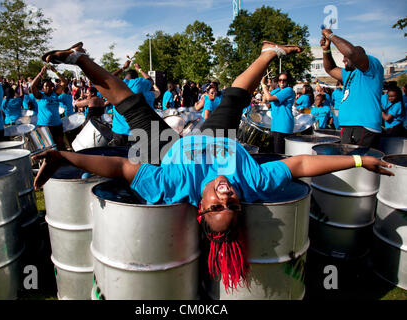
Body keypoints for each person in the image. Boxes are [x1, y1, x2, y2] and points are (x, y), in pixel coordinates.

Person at [35, 41, 395, 292]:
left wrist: (63, 156)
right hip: (219, 139)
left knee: (132, 107)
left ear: (200, 208)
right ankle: (268, 53)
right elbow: (301, 162)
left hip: (172, 150)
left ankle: (80, 58)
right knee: (234, 99)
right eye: (233, 205)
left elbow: (118, 168)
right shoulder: (251, 181)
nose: (226, 195)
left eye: (216, 205)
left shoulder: (173, 185)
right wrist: (361, 158)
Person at [321, 28, 384, 148]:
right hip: (348, 126)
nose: (343, 60)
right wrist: (326, 50)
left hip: (363, 126)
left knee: (359, 164)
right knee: (349, 164)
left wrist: (331, 36)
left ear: (359, 58)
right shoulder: (349, 73)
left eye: (345, 57)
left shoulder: (372, 66)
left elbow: (351, 53)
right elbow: (331, 69)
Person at [108, 61, 155, 147]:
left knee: (119, 156)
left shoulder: (119, 84)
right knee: (135, 158)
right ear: (136, 77)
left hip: (119, 131)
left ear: (125, 77)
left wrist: (123, 68)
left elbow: (109, 77)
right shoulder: (139, 82)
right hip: (136, 130)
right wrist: (139, 69)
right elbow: (151, 80)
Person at [30, 64, 68, 150]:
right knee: (48, 149)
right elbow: (32, 86)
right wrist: (41, 73)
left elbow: (65, 82)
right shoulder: (40, 96)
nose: (49, 87)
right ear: (42, 88)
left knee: (61, 147)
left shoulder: (55, 94)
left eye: (51, 86)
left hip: (57, 124)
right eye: (46, 86)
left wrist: (55, 71)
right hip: (44, 126)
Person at [261, 71, 295, 154]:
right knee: (275, 152)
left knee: (279, 153)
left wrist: (263, 85)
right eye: (280, 80)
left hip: (283, 124)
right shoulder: (277, 91)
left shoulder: (288, 90)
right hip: (276, 124)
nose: (282, 82)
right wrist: (268, 86)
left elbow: (270, 98)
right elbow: (267, 101)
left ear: (288, 81)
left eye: (284, 80)